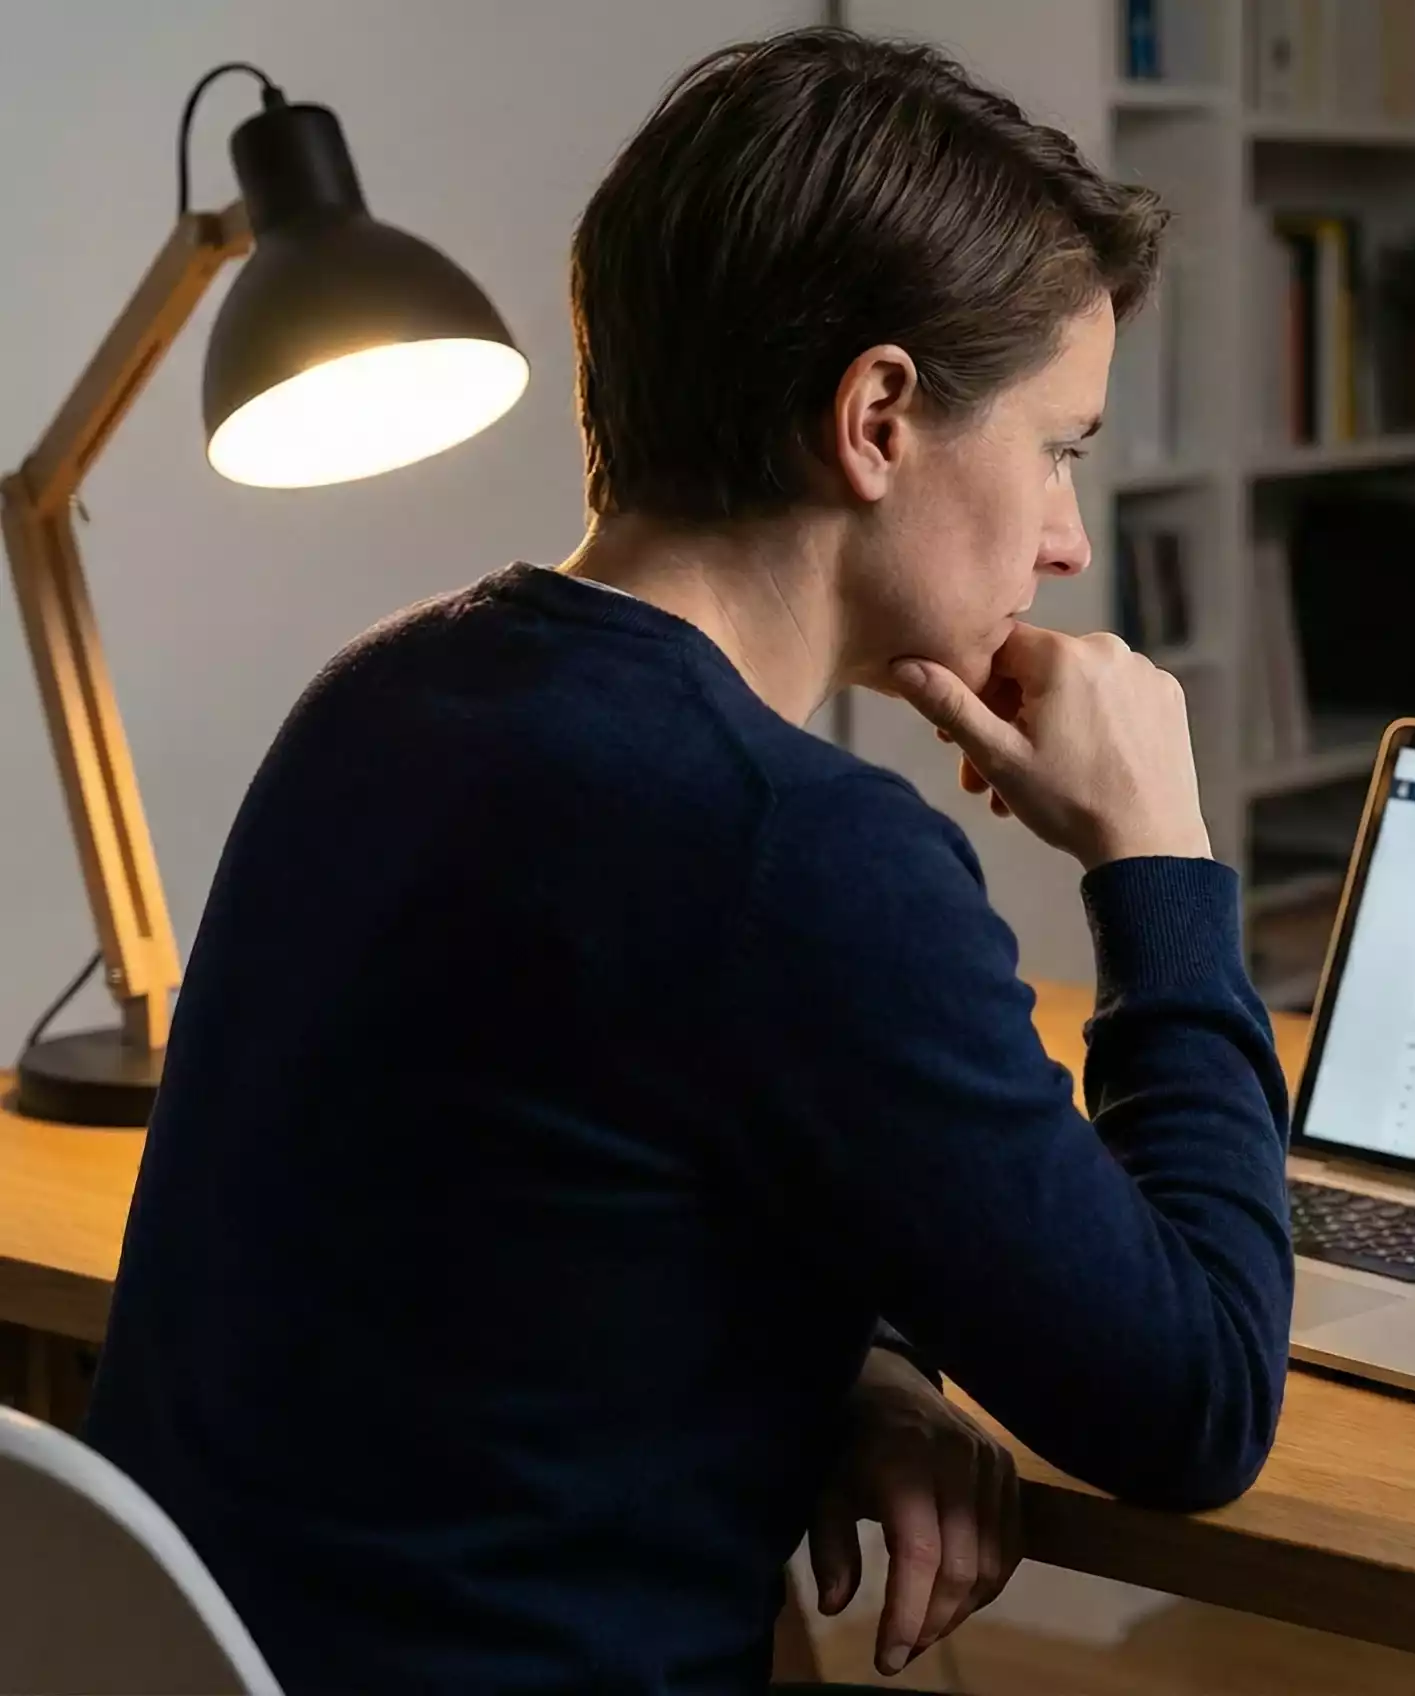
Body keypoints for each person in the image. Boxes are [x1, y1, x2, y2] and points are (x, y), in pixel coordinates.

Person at [83, 27, 1293, 1694]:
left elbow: (562, 1220)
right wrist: (1160, 861)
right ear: (875, 418)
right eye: (1060, 447)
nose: (1067, 536)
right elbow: (1201, 1401)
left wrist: (852, 1361)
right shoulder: (796, 850)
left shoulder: (380, 700)